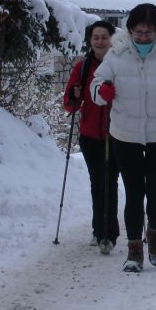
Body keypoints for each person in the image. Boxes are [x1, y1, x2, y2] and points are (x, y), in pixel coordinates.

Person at [91, 3, 156, 273]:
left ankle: (155, 232)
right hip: (125, 133)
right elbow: (97, 82)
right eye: (138, 32)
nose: (143, 37)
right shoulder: (117, 54)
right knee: (134, 193)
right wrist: (102, 91)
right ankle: (134, 247)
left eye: (149, 32)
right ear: (130, 30)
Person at [63, 20, 120, 254]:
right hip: (89, 135)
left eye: (104, 37)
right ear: (90, 41)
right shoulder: (83, 66)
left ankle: (110, 233)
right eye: (96, 37)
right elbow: (71, 106)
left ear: (111, 40)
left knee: (110, 182)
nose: (99, 41)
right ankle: (99, 230)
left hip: (115, 134)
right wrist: (74, 95)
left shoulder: (120, 64)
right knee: (97, 182)